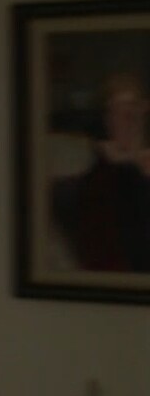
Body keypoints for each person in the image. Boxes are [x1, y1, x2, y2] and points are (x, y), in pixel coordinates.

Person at [51, 71, 150, 273]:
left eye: (132, 107)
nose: (127, 117)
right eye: (117, 110)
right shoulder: (94, 167)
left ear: (144, 110)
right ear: (107, 118)